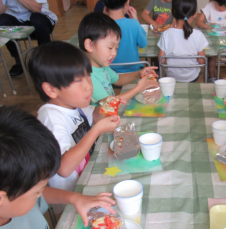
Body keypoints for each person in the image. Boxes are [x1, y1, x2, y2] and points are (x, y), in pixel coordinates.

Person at [28, 41, 121, 213]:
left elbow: (95, 114)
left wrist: (110, 106)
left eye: (88, 76)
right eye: (78, 80)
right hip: (72, 199)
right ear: (51, 90)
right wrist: (97, 130)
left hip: (88, 179)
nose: (88, 86)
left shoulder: (73, 104)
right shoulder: (51, 117)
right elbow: (63, 168)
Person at [0, 106, 117, 228]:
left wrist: (75, 198)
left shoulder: (15, 195)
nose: (40, 193)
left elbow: (41, 194)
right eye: (37, 192)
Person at [78, 12, 158, 105]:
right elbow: (108, 104)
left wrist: (139, 73)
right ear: (89, 45)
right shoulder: (87, 76)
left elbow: (118, 79)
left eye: (116, 48)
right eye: (110, 47)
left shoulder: (101, 65)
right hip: (101, 119)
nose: (114, 53)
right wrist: (138, 88)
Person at [0, 0, 58, 77]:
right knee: (2, 21)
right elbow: (1, 12)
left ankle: (45, 58)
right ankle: (18, 60)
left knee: (36, 17)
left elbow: (37, 9)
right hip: (18, 25)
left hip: (41, 21)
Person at [157, 0, 208, 82]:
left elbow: (161, 60)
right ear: (195, 14)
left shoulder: (166, 34)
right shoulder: (198, 35)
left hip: (171, 78)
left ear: (172, 12)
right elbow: (202, 61)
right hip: (192, 78)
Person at [196, 0, 226, 83]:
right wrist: (208, 27)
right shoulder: (209, 6)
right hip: (212, 38)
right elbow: (198, 21)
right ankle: (212, 78)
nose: (222, 8)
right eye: (219, 5)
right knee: (212, 57)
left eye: (225, 6)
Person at [102, 0, 147, 74]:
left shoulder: (100, 25)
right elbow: (143, 44)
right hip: (133, 73)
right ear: (127, 3)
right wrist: (136, 20)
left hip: (108, 73)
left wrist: (103, 18)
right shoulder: (134, 24)